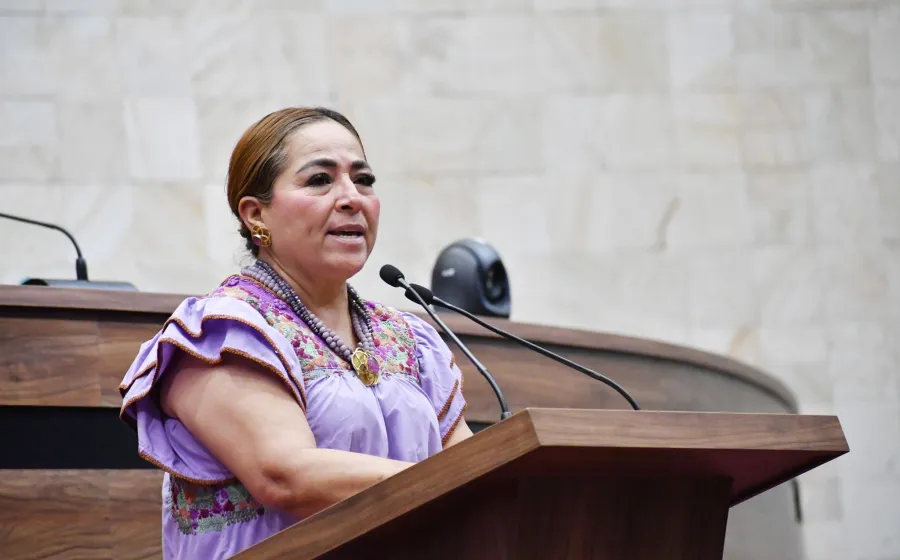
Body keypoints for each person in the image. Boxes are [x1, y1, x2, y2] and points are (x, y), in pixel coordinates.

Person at [118, 107, 473, 560]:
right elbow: (285, 475)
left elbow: (476, 473)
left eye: (363, 179)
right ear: (255, 214)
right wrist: (447, 481)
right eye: (320, 180)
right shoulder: (220, 333)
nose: (352, 197)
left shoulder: (409, 338)